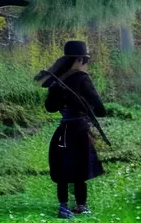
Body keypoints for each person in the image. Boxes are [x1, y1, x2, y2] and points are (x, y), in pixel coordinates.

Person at [43, 40, 106, 218]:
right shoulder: (81, 79)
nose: (86, 64)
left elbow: (50, 107)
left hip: (63, 130)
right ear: (79, 60)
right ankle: (81, 205)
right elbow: (100, 109)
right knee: (81, 167)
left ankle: (63, 206)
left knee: (62, 166)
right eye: (85, 60)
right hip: (79, 130)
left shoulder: (56, 80)